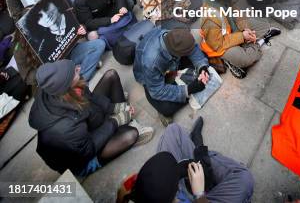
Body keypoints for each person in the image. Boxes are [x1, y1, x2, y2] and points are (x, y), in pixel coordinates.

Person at [29, 61, 153, 176]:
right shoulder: (65, 127)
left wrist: (114, 108)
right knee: (130, 135)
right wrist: (115, 121)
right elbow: (89, 148)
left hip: (83, 124)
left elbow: (90, 97)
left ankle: (124, 123)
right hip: (83, 158)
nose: (78, 68)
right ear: (67, 85)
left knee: (111, 75)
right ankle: (125, 128)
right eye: (74, 72)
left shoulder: (57, 87)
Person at [5, 0, 105, 84]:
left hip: (68, 46)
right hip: (53, 60)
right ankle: (74, 76)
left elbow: (74, 19)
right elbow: (18, 18)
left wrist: (81, 29)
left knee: (99, 44)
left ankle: (78, 77)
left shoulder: (59, 0)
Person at [120, 121, 254, 203]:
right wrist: (199, 195)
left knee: (173, 130)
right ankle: (201, 152)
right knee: (244, 178)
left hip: (170, 194)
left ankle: (199, 151)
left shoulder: (131, 190)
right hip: (198, 198)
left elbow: (126, 190)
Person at [133, 28, 209, 124]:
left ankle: (185, 88)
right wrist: (189, 89)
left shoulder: (174, 34)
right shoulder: (150, 62)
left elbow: (193, 49)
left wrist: (202, 68)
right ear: (176, 53)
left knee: (204, 58)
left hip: (172, 63)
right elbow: (157, 91)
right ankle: (186, 91)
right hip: (151, 79)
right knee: (166, 108)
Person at [200, 6, 280, 78]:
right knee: (245, 59)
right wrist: (242, 36)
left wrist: (245, 28)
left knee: (264, 26)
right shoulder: (208, 17)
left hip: (231, 32)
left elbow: (238, 11)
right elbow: (218, 45)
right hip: (219, 47)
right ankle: (261, 41)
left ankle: (248, 45)